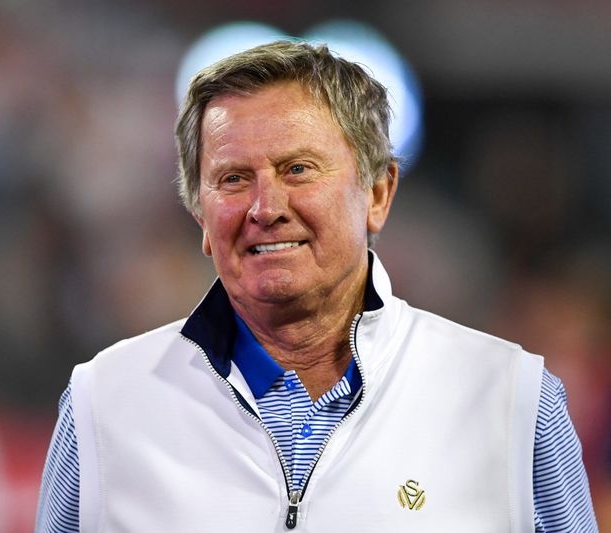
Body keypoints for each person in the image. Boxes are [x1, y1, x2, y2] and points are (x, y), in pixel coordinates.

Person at [36, 41, 597, 532]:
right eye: (233, 179)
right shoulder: (103, 404)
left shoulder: (511, 400)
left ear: (377, 194)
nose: (266, 208)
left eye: (298, 169)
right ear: (200, 216)